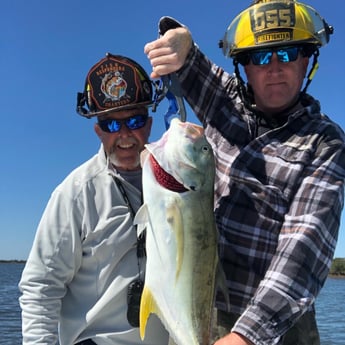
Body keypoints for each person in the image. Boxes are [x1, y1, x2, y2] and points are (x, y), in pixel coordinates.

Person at [144, 1, 345, 345]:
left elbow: (304, 247)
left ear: (307, 59)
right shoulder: (226, 102)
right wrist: (179, 39)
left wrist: (244, 337)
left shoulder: (324, 143)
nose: (275, 68)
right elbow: (187, 57)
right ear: (244, 67)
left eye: (289, 53)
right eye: (261, 57)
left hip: (278, 327)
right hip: (205, 309)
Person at [19, 53, 169, 345]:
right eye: (111, 125)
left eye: (135, 120)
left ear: (149, 124)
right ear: (98, 130)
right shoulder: (74, 193)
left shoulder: (178, 178)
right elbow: (41, 286)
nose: (125, 135)